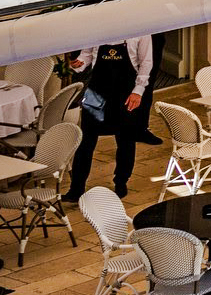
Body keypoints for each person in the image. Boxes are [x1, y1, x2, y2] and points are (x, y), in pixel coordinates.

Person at [64, 35, 152, 201]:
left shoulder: (141, 30)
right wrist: (78, 64)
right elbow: (87, 54)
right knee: (86, 140)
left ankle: (121, 182)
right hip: (97, 90)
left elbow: (146, 62)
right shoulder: (97, 27)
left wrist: (138, 91)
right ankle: (76, 189)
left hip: (125, 91)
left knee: (125, 139)